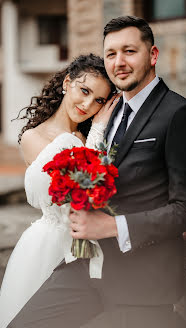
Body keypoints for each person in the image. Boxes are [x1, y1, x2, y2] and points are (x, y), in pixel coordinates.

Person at [6, 16, 186, 328]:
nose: (119, 62)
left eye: (129, 51)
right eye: (111, 53)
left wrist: (112, 226)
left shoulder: (180, 115)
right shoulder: (105, 116)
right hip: (85, 266)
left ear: (152, 55)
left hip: (139, 282)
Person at [0, 53, 118, 328]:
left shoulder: (88, 139)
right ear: (67, 82)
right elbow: (73, 184)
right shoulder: (34, 137)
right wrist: (98, 130)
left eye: (99, 100)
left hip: (91, 241)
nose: (88, 104)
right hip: (48, 244)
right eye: (84, 91)